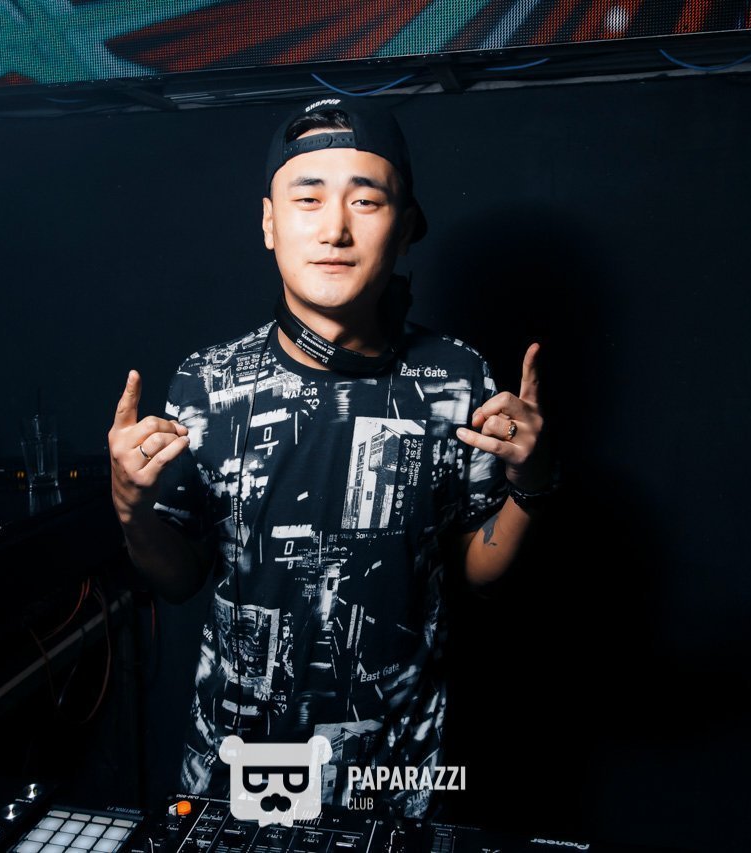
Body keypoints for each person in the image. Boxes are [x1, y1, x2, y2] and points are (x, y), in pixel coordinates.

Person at [107, 97, 557, 818]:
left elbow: (476, 571)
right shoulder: (208, 380)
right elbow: (180, 577)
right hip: (243, 755)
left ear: (404, 227)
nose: (335, 228)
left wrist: (531, 481)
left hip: (400, 761)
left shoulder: (457, 376)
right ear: (269, 223)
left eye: (365, 200)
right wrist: (131, 508)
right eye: (308, 198)